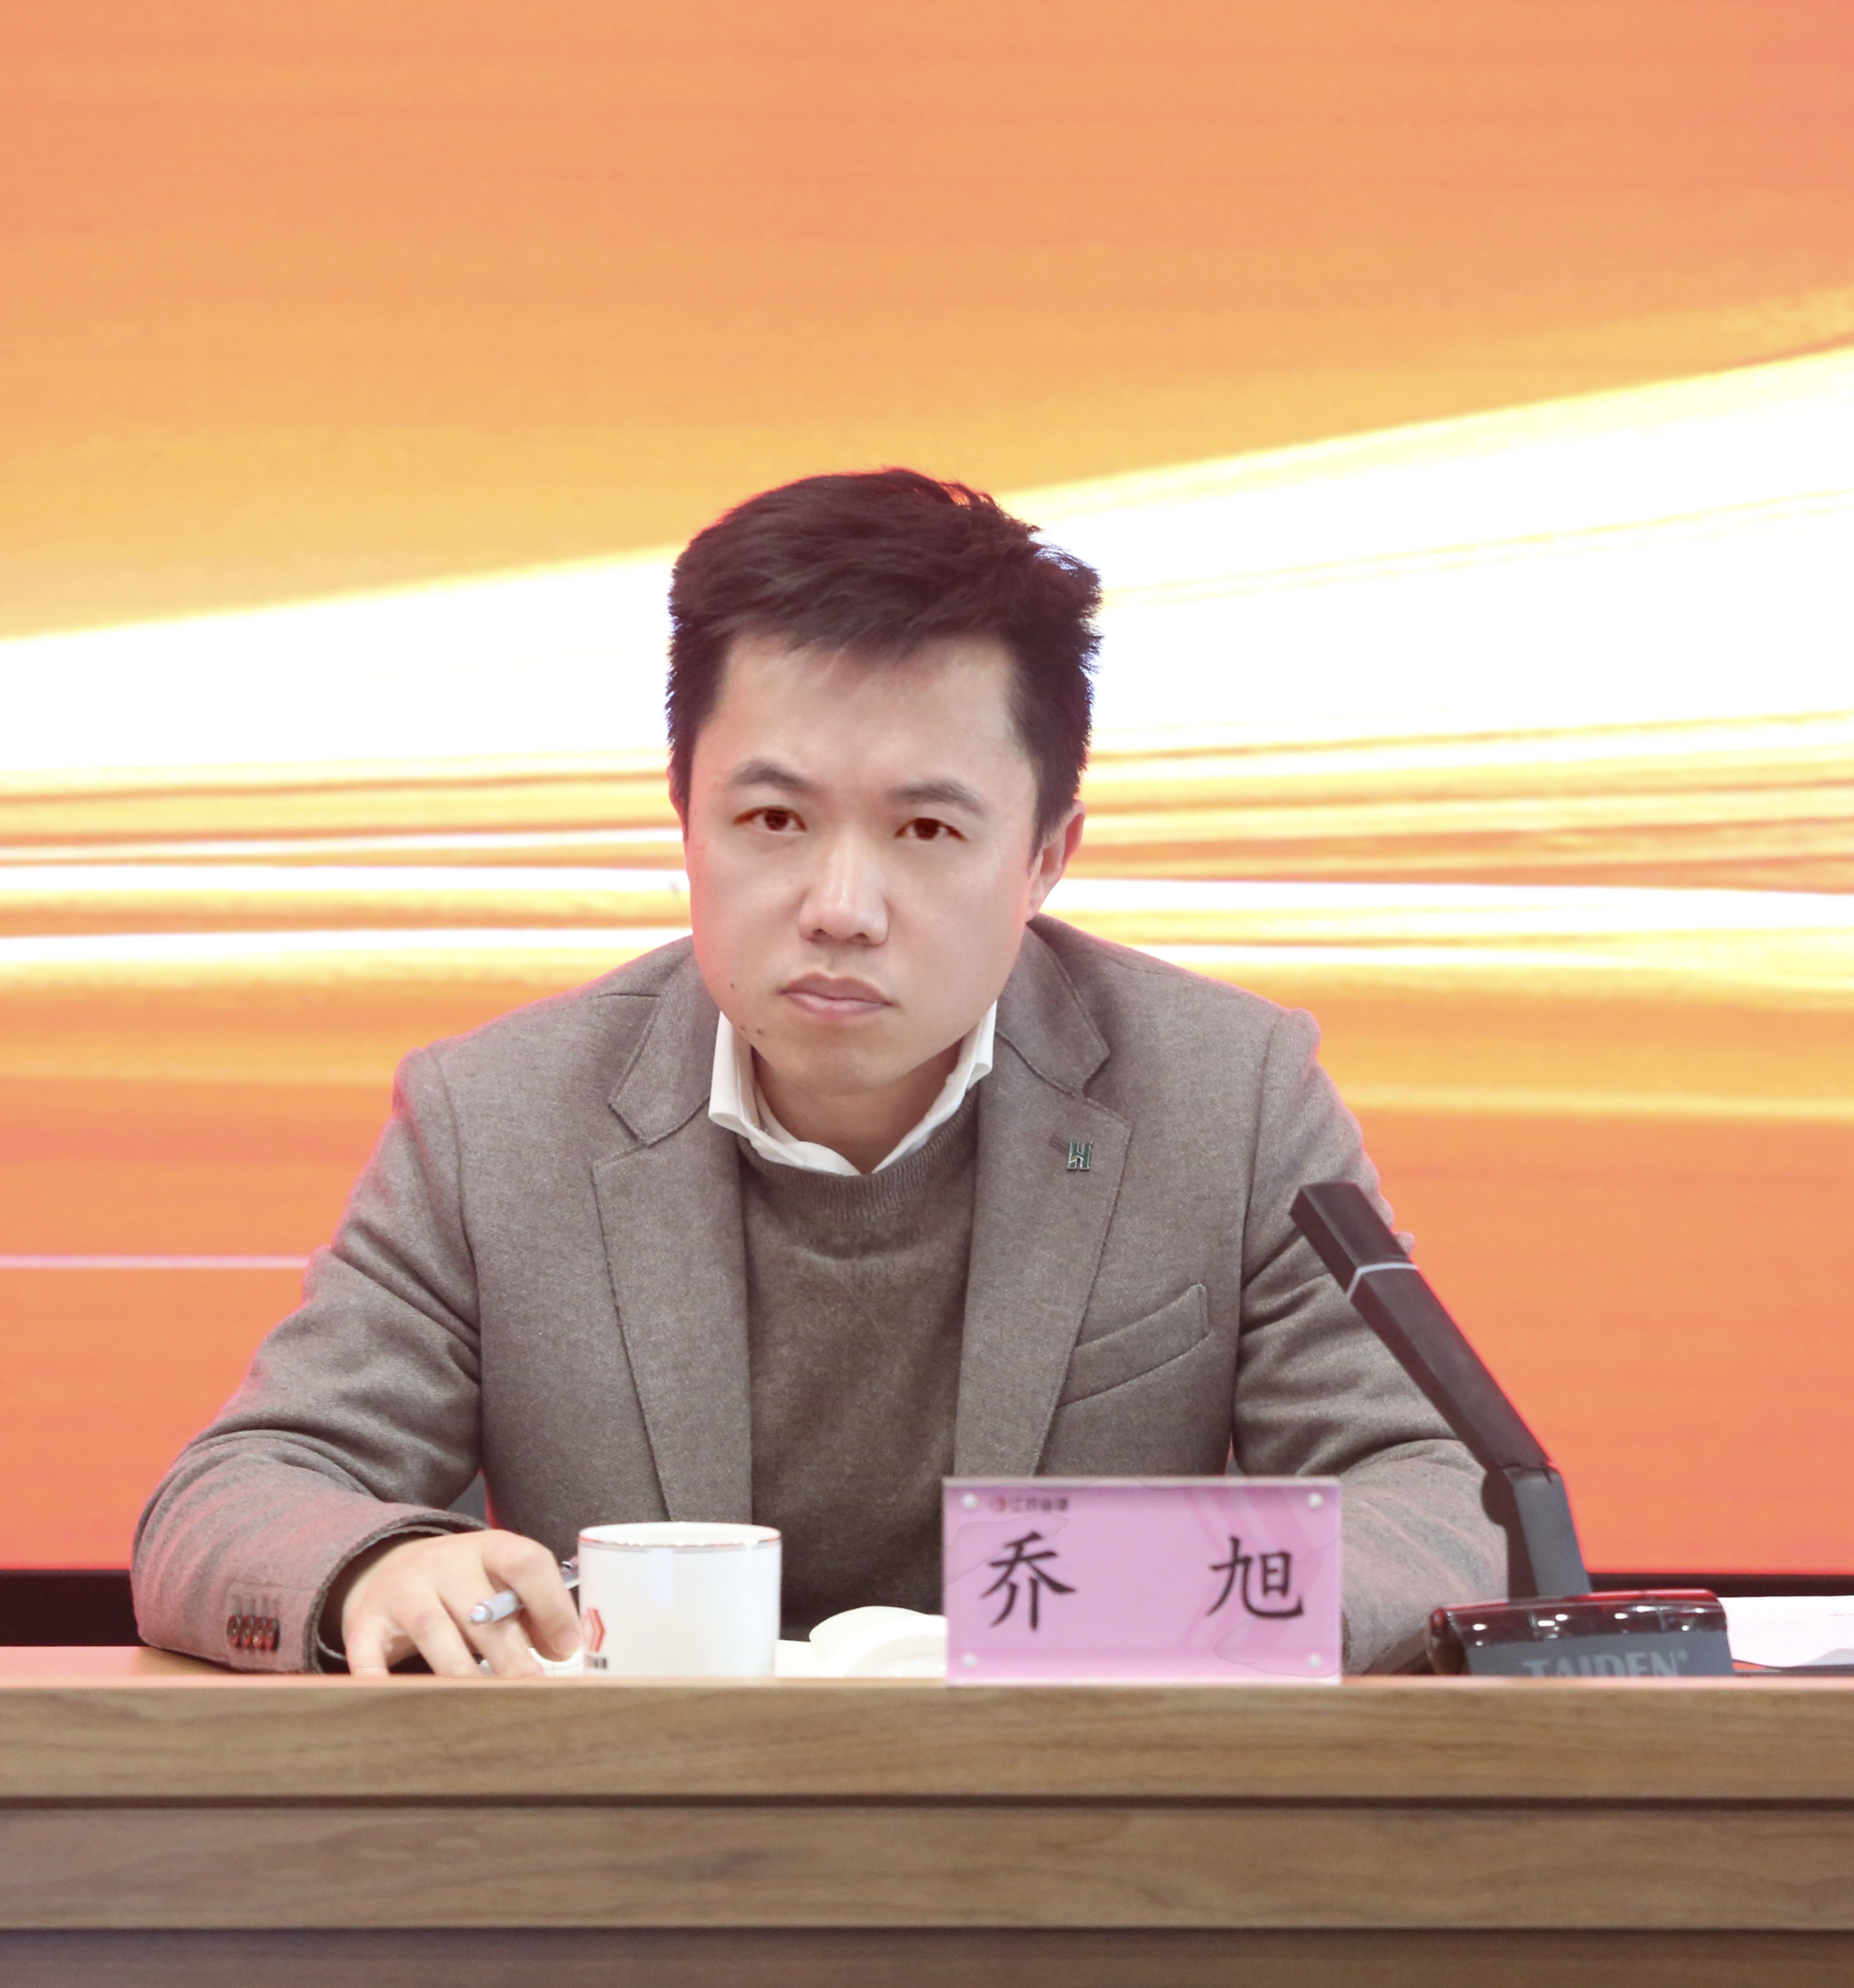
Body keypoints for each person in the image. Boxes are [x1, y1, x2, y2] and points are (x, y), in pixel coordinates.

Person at [133, 468, 1501, 1677]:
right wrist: (374, 1565)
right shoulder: (494, 1122)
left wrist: (1067, 1609)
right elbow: (233, 1496)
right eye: (774, 817)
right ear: (685, 818)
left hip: (1077, 1842)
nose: (841, 906)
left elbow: (1446, 1506)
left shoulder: (1229, 1094)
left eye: (926, 829)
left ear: (1046, 855)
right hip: (637, 1849)